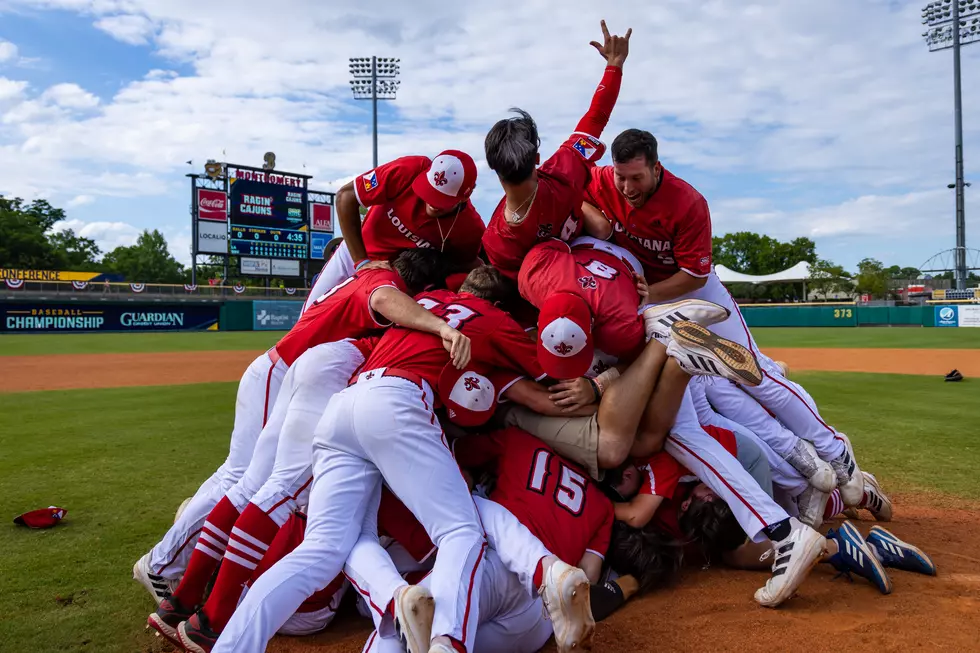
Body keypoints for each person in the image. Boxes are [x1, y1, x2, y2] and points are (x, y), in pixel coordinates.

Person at [210, 267, 567, 653]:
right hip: (398, 401)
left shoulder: (423, 301)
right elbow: (552, 368)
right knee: (460, 531)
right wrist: (603, 380)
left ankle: (229, 647)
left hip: (341, 408)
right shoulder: (494, 319)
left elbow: (384, 302)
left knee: (321, 550)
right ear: (498, 303)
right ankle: (448, 643)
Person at [147, 250, 457, 648]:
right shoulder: (392, 291)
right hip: (331, 368)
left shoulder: (360, 277)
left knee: (251, 488)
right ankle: (210, 619)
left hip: (305, 363)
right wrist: (440, 326)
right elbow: (383, 298)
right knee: (281, 490)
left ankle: (182, 600)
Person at [583, 129, 865, 505]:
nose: (628, 187)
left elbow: (695, 275)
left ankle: (834, 449)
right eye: (621, 176)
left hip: (691, 290)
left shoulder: (687, 202)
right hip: (646, 297)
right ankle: (797, 472)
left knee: (754, 374)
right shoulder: (599, 180)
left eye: (637, 177)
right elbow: (565, 183)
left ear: (656, 168)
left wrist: (651, 294)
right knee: (710, 397)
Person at [481, 20, 631, 280]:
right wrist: (614, 64)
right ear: (537, 159)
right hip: (594, 263)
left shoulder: (495, 240)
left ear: (494, 168)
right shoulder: (566, 166)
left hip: (552, 289)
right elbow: (597, 117)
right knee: (601, 229)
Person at [306, 150, 485, 309]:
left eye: (441, 198)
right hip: (356, 253)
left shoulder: (470, 228)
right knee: (307, 319)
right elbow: (345, 197)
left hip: (391, 279)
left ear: (465, 196)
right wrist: (361, 262)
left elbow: (469, 265)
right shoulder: (410, 169)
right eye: (429, 191)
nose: (431, 202)